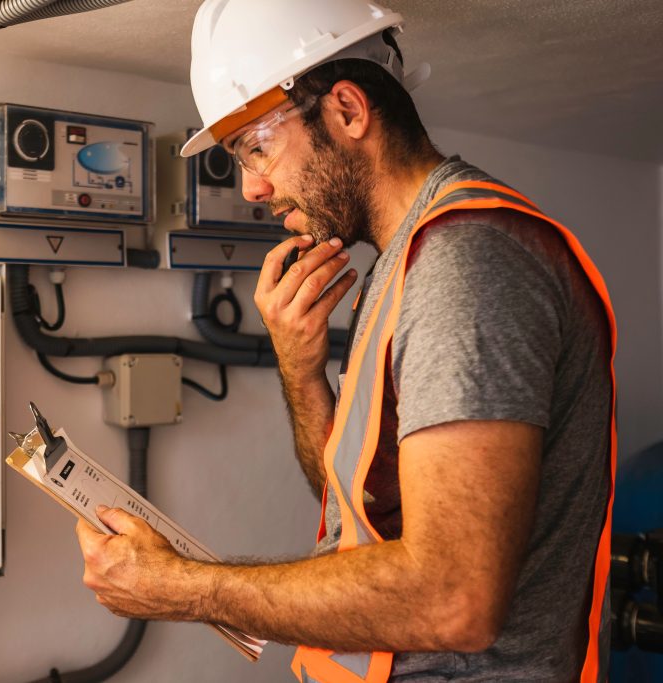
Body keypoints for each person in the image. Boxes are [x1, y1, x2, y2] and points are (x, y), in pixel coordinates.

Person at [74, 1, 617, 680]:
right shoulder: (406, 260)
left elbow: (454, 598)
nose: (251, 188)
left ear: (349, 111)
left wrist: (186, 588)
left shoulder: (465, 263)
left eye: (256, 148)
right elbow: (360, 511)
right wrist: (301, 372)